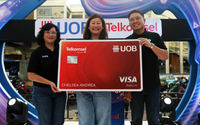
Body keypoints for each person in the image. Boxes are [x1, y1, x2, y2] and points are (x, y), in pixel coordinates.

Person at [126, 10, 169, 125]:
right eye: (132, 19)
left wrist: (150, 45)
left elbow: (165, 56)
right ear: (129, 23)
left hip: (153, 86)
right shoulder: (127, 41)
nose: (135, 21)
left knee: (154, 120)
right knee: (135, 120)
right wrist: (127, 90)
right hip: (135, 87)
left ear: (144, 20)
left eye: (137, 18)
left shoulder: (154, 36)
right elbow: (125, 67)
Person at [27, 23, 66, 125]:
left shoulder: (63, 50)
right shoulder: (37, 52)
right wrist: (49, 83)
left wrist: (70, 84)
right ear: (42, 35)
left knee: (59, 122)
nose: (50, 35)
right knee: (45, 122)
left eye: (53, 32)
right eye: (47, 32)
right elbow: (31, 75)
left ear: (57, 35)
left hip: (60, 92)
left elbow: (69, 68)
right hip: (42, 93)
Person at [76, 14, 111, 125]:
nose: (95, 25)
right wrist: (70, 84)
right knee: (86, 121)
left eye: (98, 23)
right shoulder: (79, 45)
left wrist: (117, 83)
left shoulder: (109, 45)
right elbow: (74, 66)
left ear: (103, 26)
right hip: (83, 89)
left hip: (103, 88)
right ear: (88, 27)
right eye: (93, 23)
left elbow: (113, 66)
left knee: (103, 121)